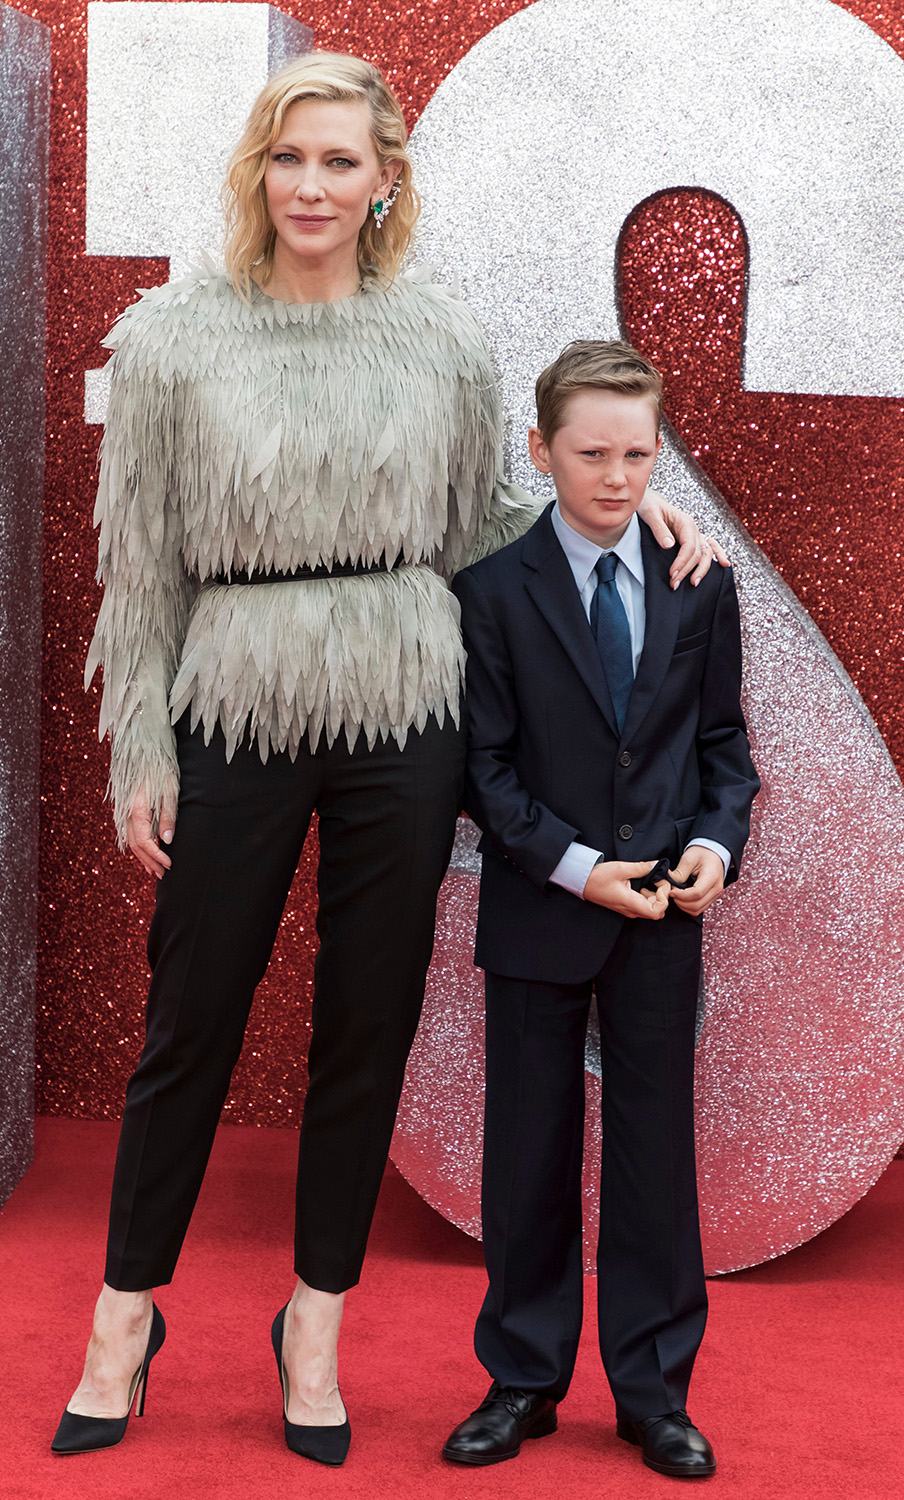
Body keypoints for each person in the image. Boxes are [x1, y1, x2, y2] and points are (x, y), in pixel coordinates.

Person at [52, 56, 721, 1466]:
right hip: (234, 689)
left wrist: (635, 530)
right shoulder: (173, 338)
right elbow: (140, 563)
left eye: (340, 163)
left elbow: (486, 527)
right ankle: (126, 1314)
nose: (311, 185)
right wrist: (140, 748)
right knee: (194, 1018)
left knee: (368, 1027)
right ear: (258, 170)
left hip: (406, 704)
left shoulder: (440, 346)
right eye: (290, 158)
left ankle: (315, 1323)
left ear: (384, 183)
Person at [443, 340, 759, 1478]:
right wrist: (577, 868)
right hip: (543, 910)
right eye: (591, 453)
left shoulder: (700, 582)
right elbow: (482, 771)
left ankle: (653, 1393)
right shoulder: (489, 595)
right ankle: (523, 1379)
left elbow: (723, 750)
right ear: (540, 452)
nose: (617, 477)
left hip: (665, 922)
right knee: (525, 1155)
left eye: (637, 453)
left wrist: (717, 843)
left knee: (653, 1159)